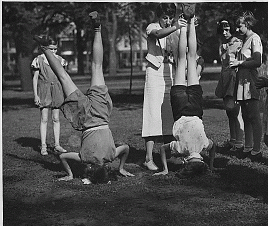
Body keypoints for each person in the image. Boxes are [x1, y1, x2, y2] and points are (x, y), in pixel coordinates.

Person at [33, 11, 134, 184]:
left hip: (101, 113)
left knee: (97, 66)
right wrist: (71, 175)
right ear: (90, 171)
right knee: (63, 76)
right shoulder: (85, 159)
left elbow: (126, 148)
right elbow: (63, 156)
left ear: (107, 169)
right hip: (85, 117)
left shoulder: (111, 156)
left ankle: (97, 28)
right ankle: (44, 48)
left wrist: (121, 167)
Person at [154, 15, 216, 176]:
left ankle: (190, 23)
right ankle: (183, 26)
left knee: (190, 58)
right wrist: (166, 169)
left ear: (201, 159)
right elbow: (162, 148)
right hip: (181, 108)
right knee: (181, 60)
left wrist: (212, 165)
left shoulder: (204, 145)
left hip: (195, 108)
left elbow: (213, 146)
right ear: (187, 161)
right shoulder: (181, 149)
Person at [142, 3, 189, 171]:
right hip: (154, 73)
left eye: (171, 17)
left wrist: (189, 25)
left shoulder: (175, 29)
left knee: (170, 114)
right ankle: (148, 158)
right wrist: (176, 26)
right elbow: (158, 34)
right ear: (158, 17)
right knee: (152, 114)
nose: (168, 21)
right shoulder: (152, 27)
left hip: (170, 73)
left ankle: (169, 155)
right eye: (165, 17)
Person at [230, 11, 263, 160]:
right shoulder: (245, 39)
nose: (237, 29)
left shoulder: (254, 39)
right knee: (245, 115)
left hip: (249, 80)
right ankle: (248, 147)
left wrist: (240, 62)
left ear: (247, 24)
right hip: (242, 80)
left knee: (254, 116)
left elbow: (257, 60)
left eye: (239, 26)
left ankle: (257, 150)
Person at [31, 38, 67, 156]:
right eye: (51, 49)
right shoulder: (39, 60)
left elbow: (63, 77)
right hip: (44, 89)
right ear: (46, 48)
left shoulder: (60, 60)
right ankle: (43, 146)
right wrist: (36, 95)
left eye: (55, 49)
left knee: (56, 118)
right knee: (44, 118)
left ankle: (57, 144)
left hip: (56, 89)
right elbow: (35, 78)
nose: (53, 51)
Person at [215, 19, 244, 151]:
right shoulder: (223, 44)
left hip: (234, 77)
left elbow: (236, 60)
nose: (225, 32)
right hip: (225, 77)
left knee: (235, 110)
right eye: (223, 30)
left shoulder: (236, 42)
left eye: (227, 29)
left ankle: (239, 142)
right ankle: (233, 140)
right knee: (229, 111)